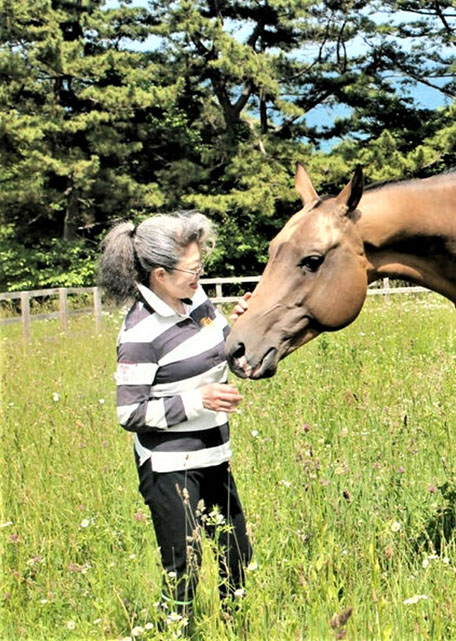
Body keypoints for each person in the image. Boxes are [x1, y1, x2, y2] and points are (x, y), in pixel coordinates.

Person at [97, 211, 252, 629]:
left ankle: (234, 629)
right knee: (184, 566)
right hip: (169, 468)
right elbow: (129, 412)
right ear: (160, 275)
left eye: (202, 265)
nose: (199, 276)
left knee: (237, 555)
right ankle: (173, 632)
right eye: (193, 269)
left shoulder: (198, 303)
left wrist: (241, 326)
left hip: (214, 452)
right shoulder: (138, 335)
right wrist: (197, 400)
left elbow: (219, 347)